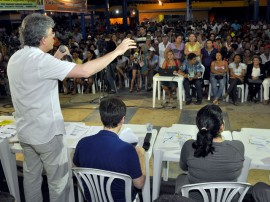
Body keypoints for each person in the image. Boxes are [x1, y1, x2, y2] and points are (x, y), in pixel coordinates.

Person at [7, 13, 136, 202]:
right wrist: (117, 51)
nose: (54, 37)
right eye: (51, 34)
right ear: (43, 39)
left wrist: (56, 57)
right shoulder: (42, 62)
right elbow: (85, 71)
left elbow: (37, 74)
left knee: (31, 177)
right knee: (59, 182)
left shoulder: (16, 58)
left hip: (26, 132)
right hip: (47, 135)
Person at [73, 97, 145, 201]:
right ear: (122, 119)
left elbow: (75, 168)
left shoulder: (82, 143)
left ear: (101, 117)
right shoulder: (128, 150)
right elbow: (139, 184)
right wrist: (141, 156)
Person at [175, 104, 244, 199]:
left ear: (199, 127)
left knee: (181, 178)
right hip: (228, 198)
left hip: (195, 198)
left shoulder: (189, 146)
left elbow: (183, 167)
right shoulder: (238, 147)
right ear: (222, 127)